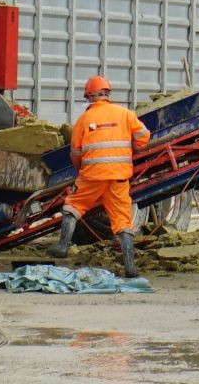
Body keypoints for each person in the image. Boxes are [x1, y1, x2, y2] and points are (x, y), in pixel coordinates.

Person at [51, 74, 151, 280]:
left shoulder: (84, 120)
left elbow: (75, 152)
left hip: (92, 177)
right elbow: (144, 137)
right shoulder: (125, 114)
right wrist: (135, 148)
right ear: (107, 94)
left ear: (89, 97)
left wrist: (80, 169)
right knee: (123, 221)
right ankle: (130, 267)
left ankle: (62, 247)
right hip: (118, 178)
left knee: (73, 207)